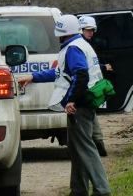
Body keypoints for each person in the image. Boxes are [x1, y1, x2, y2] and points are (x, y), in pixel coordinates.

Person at [17, 14, 110, 196]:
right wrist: (34, 77)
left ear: (62, 32)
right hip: (88, 101)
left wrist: (72, 100)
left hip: (80, 105)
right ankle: (78, 190)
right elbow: (60, 73)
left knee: (85, 148)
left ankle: (102, 190)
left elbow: (81, 75)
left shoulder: (73, 49)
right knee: (77, 149)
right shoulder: (79, 45)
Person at [79, 15, 110, 157]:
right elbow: (84, 68)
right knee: (90, 117)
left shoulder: (86, 44)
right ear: (81, 30)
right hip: (87, 88)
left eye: (92, 30)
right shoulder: (80, 46)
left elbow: (91, 66)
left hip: (92, 88)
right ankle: (97, 144)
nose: (91, 33)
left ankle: (98, 144)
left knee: (91, 115)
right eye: (88, 30)